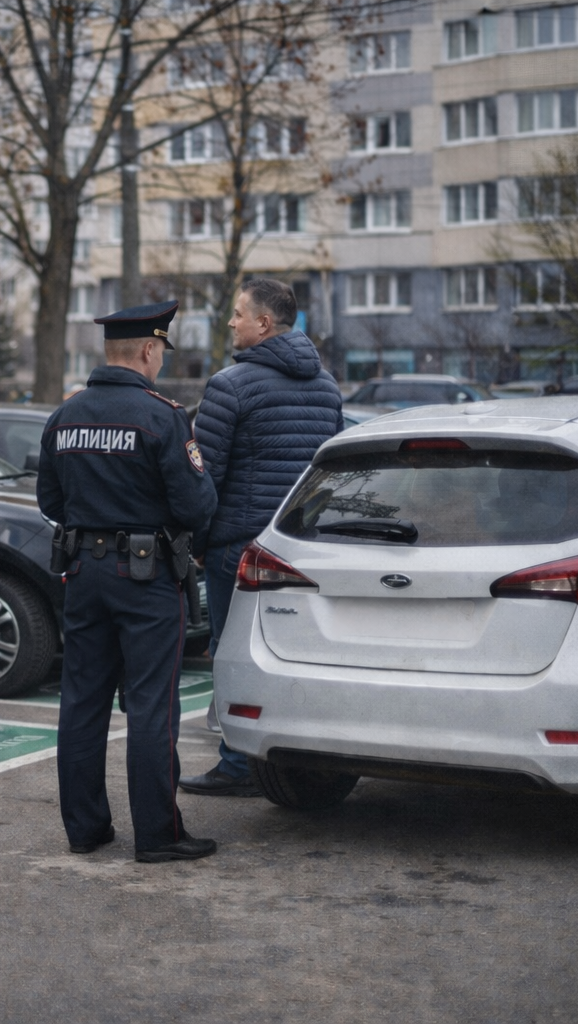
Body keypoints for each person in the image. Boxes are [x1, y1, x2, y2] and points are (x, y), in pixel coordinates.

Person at [38, 300, 219, 863]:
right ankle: (159, 835)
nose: (161, 362)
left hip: (83, 574)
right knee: (150, 707)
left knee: (83, 703)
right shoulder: (162, 416)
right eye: (161, 352)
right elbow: (194, 508)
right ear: (147, 350)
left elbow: (50, 501)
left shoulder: (64, 417)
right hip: (144, 580)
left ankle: (86, 830)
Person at [182, 279, 343, 796]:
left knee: (234, 656)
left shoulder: (230, 385)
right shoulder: (327, 387)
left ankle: (235, 764)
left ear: (264, 325)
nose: (231, 322)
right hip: (305, 548)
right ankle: (296, 755)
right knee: (295, 656)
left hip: (241, 549)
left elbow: (204, 479)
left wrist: (200, 545)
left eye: (237, 314)